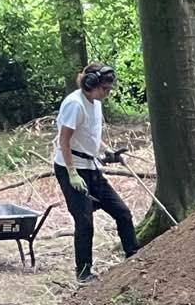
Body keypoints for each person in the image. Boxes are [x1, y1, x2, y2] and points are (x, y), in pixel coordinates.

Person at [51, 65, 139, 283]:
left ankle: (134, 258)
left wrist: (107, 151)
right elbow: (64, 141)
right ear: (90, 84)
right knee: (85, 222)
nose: (107, 93)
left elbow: (90, 135)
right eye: (104, 89)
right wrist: (72, 173)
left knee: (123, 213)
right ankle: (83, 272)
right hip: (71, 167)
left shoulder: (96, 104)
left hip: (91, 168)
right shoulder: (74, 104)